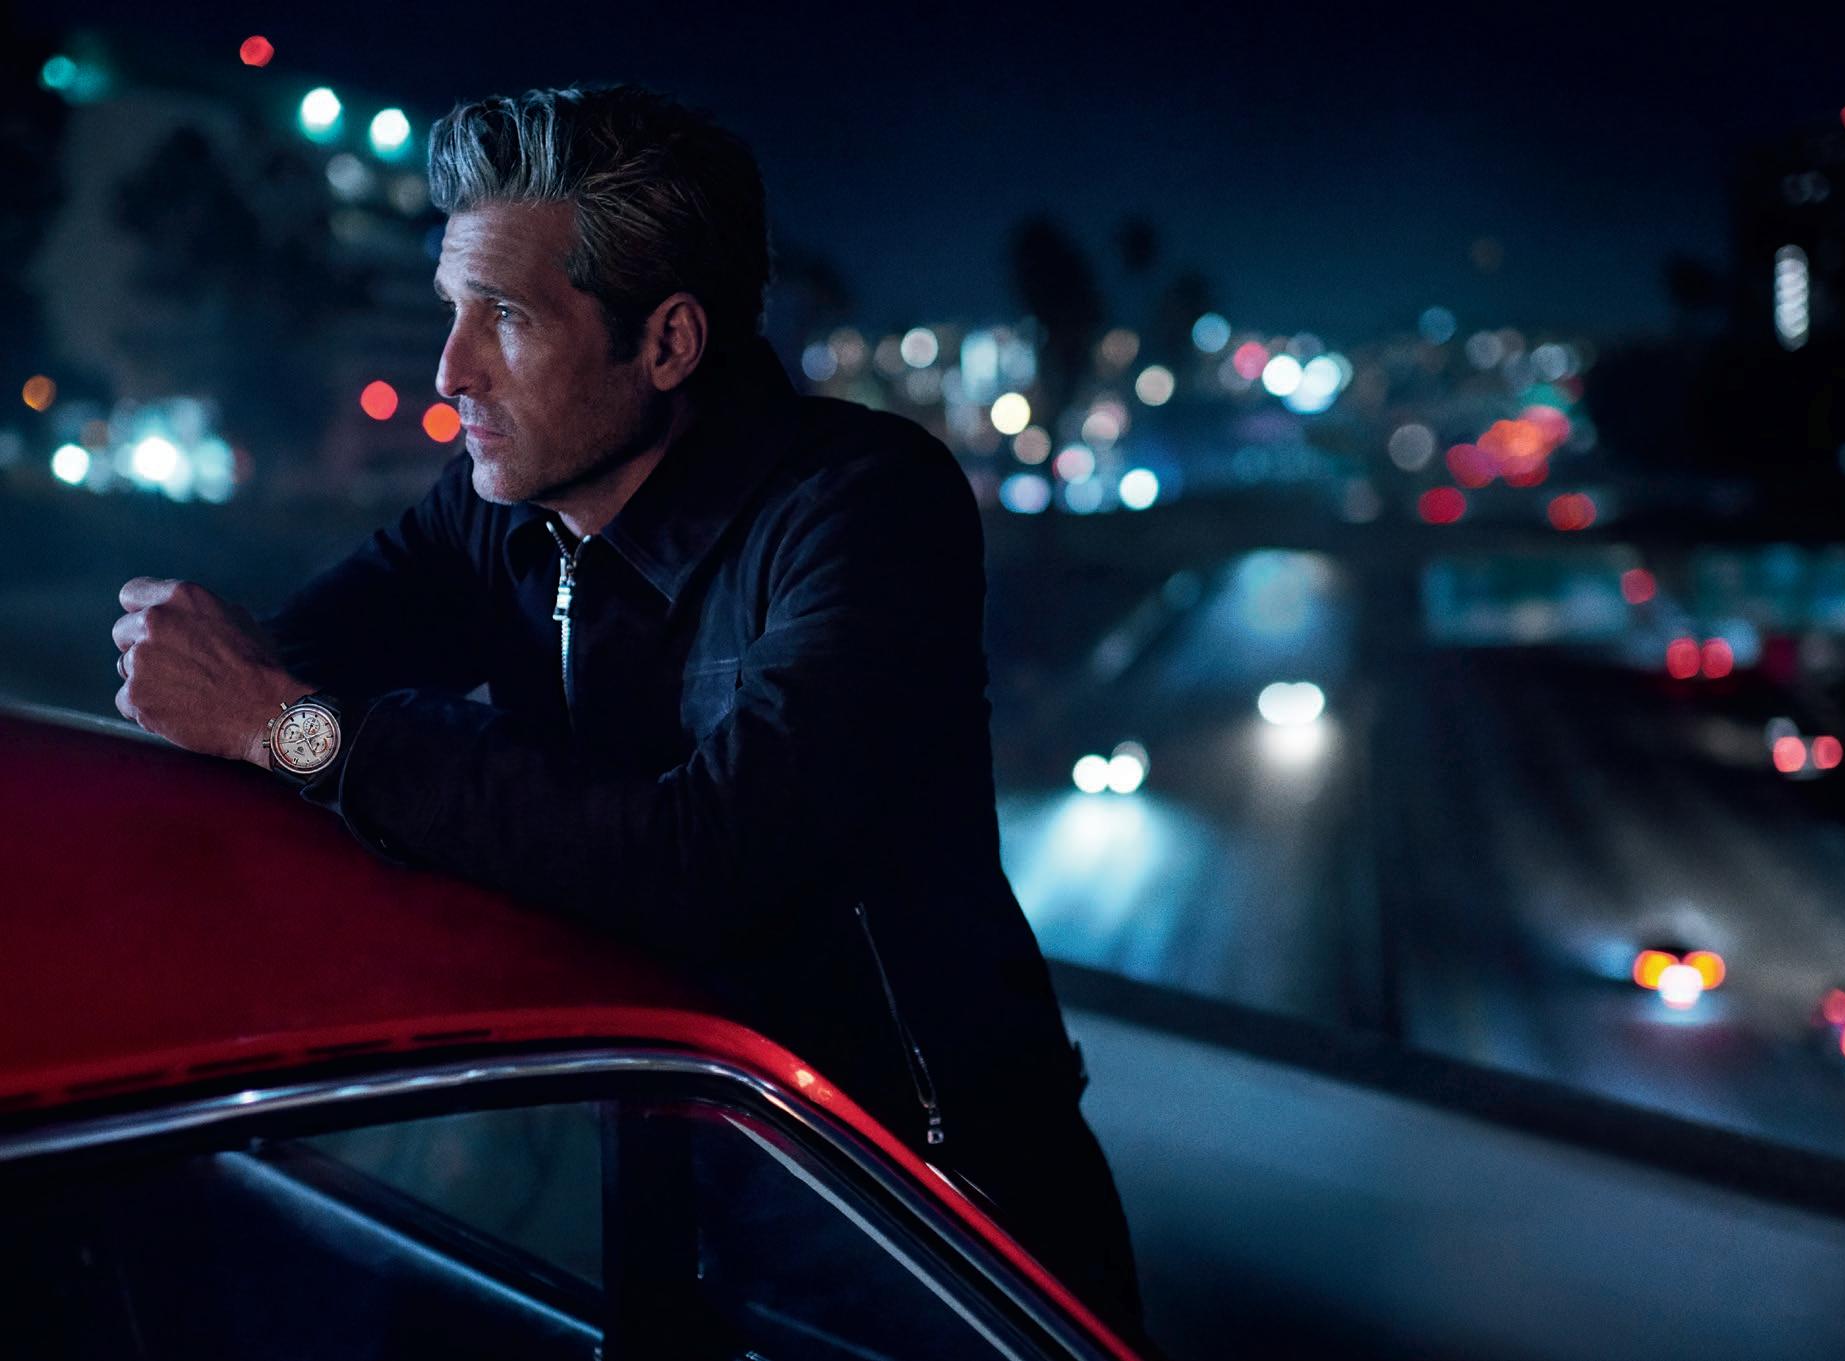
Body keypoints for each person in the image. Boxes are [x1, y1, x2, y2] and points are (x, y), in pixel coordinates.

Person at [108, 83, 1143, 1340]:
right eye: (451, 309)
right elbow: (270, 672)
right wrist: (233, 694)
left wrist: (302, 735)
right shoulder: (498, 507)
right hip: (663, 1170)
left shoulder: (860, 506)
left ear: (666, 343)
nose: (448, 370)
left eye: (503, 317)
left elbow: (703, 857)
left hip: (919, 1204)